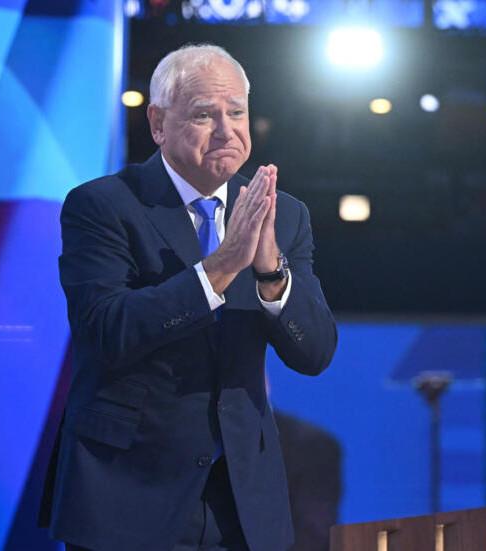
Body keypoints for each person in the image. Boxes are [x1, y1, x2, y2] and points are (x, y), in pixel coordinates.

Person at [39, 44, 337, 551]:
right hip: (128, 496)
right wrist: (221, 266)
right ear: (158, 123)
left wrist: (270, 271)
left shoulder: (282, 214)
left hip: (242, 504)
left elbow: (315, 353)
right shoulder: (103, 205)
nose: (226, 130)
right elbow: (106, 331)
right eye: (204, 115)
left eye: (236, 112)